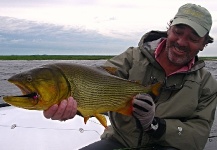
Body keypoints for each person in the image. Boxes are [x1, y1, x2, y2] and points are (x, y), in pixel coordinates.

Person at [43, 3, 217, 150]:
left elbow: (198, 136)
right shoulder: (131, 58)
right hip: (119, 140)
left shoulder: (206, 84)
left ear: (203, 44)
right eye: (178, 32)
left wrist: (155, 125)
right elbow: (94, 81)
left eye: (193, 38)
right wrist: (71, 107)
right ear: (169, 29)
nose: (181, 42)